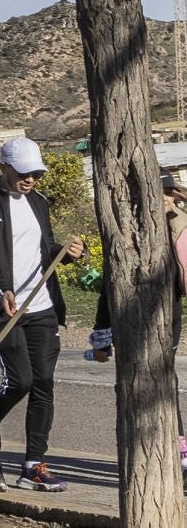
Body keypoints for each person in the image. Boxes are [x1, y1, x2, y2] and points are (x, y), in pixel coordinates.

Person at [0, 137, 87, 492]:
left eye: (35, 172)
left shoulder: (39, 201)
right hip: (4, 308)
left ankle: (34, 464)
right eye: (22, 172)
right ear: (3, 166)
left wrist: (67, 252)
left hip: (42, 306)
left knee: (44, 383)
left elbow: (44, 248)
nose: (30, 178)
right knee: (20, 381)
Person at [81, 171, 187, 471]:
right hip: (135, 314)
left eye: (168, 193)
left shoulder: (178, 225)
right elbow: (110, 283)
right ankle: (160, 451)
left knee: (160, 379)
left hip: (164, 312)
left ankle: (176, 450)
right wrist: (102, 332)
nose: (164, 199)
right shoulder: (130, 226)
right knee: (146, 380)